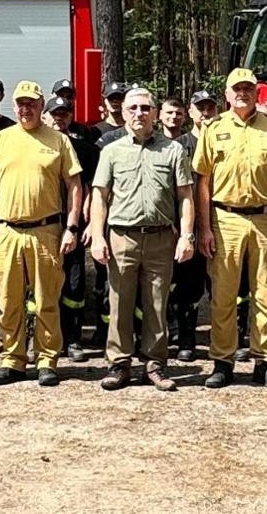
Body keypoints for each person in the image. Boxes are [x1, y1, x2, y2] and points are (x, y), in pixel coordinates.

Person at [0, 80, 83, 387]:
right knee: (9, 300)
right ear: (14, 106)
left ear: (41, 106)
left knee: (47, 299)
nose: (26, 109)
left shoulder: (58, 141)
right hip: (7, 231)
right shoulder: (1, 140)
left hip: (46, 230)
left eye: (32, 103)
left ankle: (47, 360)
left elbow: (75, 185)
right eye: (21, 104)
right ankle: (13, 359)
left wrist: (72, 227)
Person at [87, 88, 194, 391]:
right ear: (123, 113)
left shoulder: (173, 151)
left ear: (155, 113)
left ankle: (154, 365)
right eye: (132, 108)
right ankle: (119, 365)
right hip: (122, 237)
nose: (139, 113)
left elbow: (185, 196)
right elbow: (100, 197)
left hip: (161, 238)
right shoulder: (112, 151)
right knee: (119, 303)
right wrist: (97, 236)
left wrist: (187, 236)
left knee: (158, 304)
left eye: (145, 108)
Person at [193, 68, 267, 390]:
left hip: (266, 220)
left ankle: (264, 362)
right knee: (223, 296)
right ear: (226, 94)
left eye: (249, 88)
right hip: (225, 221)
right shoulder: (213, 129)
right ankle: (223, 361)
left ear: (257, 93)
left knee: (266, 294)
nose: (243, 93)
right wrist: (204, 227)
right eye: (237, 88)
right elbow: (203, 182)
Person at [46, 97, 105, 361]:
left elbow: (96, 189)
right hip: (44, 226)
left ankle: (73, 340)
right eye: (54, 114)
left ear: (71, 117)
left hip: (74, 228)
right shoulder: (37, 146)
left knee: (74, 284)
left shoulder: (86, 150)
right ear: (45, 117)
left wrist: (92, 223)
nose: (59, 118)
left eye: (64, 114)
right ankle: (45, 339)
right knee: (42, 285)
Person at [169, 89, 219, 360]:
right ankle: (186, 340)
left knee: (223, 287)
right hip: (189, 226)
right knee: (188, 287)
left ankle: (224, 340)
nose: (205, 112)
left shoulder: (226, 140)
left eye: (210, 107)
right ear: (190, 112)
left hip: (220, 224)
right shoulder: (180, 145)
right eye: (200, 107)